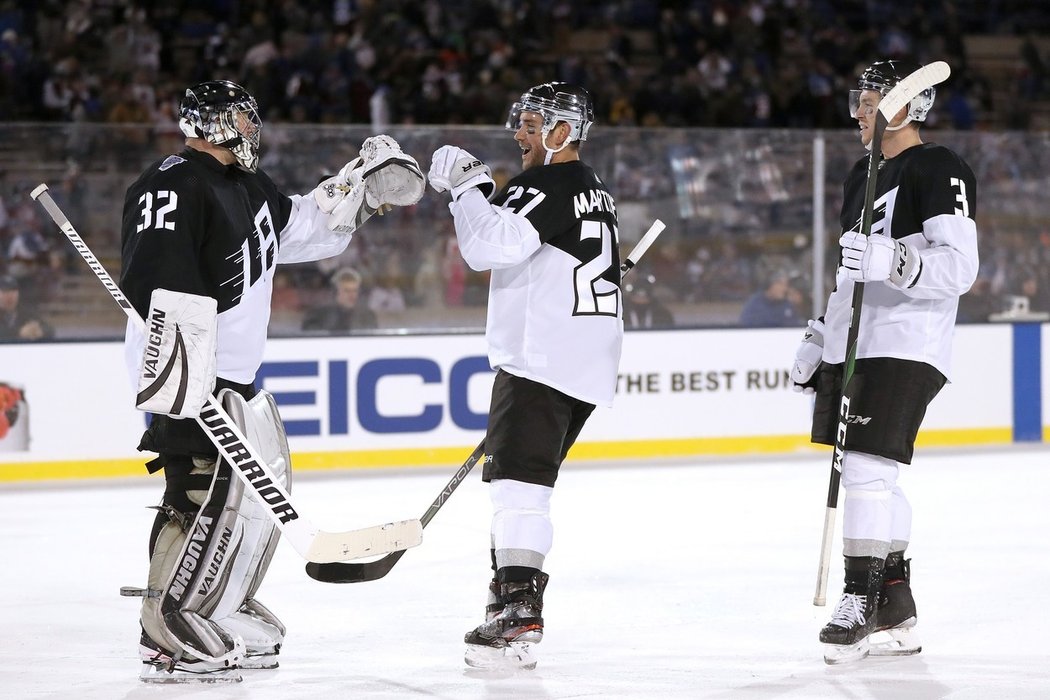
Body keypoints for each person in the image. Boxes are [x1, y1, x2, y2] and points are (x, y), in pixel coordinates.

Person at [118, 80, 423, 682]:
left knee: (249, 502)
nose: (252, 129)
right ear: (210, 123)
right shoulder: (172, 182)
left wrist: (355, 187)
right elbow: (155, 276)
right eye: (240, 118)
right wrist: (182, 365)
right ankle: (167, 627)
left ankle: (219, 607)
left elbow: (297, 228)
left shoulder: (246, 184)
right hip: (188, 370)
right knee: (198, 489)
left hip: (237, 375)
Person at [428, 81, 622, 670]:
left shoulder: (548, 181)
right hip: (581, 360)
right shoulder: (595, 190)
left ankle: (517, 612)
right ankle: (506, 601)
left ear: (564, 132)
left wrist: (466, 189)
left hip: (542, 357)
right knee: (522, 484)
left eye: (534, 125)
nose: (521, 134)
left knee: (519, 490)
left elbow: (490, 247)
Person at [790, 60, 978, 664]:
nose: (859, 111)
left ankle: (860, 598)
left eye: (869, 100)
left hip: (905, 339)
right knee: (875, 474)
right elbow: (853, 269)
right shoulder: (859, 174)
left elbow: (960, 269)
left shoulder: (936, 165)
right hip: (858, 342)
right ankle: (896, 608)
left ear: (905, 106)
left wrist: (894, 261)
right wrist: (823, 333)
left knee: (867, 472)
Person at [301, 266, 379, 332]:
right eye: (347, 291)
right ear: (336, 292)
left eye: (355, 291)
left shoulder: (367, 316)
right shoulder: (318, 314)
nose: (352, 295)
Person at [738, 269, 803, 327]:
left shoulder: (787, 305)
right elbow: (747, 328)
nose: (784, 288)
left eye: (786, 285)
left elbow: (794, 326)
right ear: (770, 285)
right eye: (780, 284)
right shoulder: (754, 305)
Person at [0, 274, 53, 341]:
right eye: (5, 291)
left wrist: (41, 332)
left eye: (13, 291)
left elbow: (50, 329)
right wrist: (19, 332)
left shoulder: (26, 312)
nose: (10, 295)